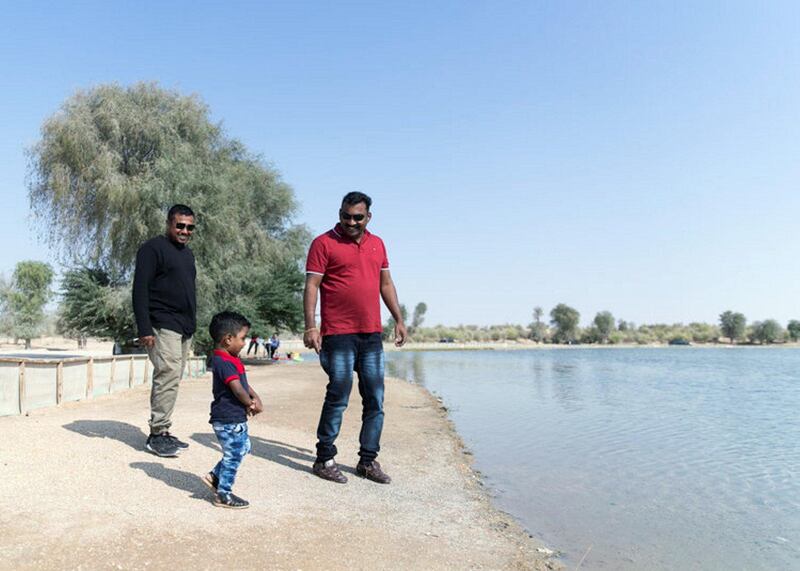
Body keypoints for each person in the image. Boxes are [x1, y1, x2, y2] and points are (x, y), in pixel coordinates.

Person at [304, 191, 407, 485]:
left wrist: (398, 319)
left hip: (371, 333)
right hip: (337, 333)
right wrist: (311, 326)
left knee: (375, 397)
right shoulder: (323, 243)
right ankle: (324, 458)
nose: (351, 222)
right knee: (339, 393)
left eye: (357, 217)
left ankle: (367, 460)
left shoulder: (378, 244)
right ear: (339, 213)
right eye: (346, 216)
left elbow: (385, 283)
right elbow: (312, 286)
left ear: (368, 217)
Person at [133, 204, 197, 458]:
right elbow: (139, 290)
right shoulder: (152, 249)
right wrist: (144, 328)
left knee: (173, 378)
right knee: (167, 374)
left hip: (184, 327)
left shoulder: (187, 254)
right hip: (161, 323)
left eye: (190, 227)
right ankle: (156, 434)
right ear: (169, 223)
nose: (184, 231)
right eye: (180, 225)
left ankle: (164, 430)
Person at [202, 311, 263, 509]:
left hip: (234, 417)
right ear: (228, 339)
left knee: (243, 448)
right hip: (227, 418)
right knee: (234, 454)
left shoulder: (231, 358)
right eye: (242, 338)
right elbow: (237, 389)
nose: (245, 343)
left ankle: (215, 476)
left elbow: (243, 384)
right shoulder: (223, 361)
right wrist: (249, 404)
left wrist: (255, 397)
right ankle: (223, 494)